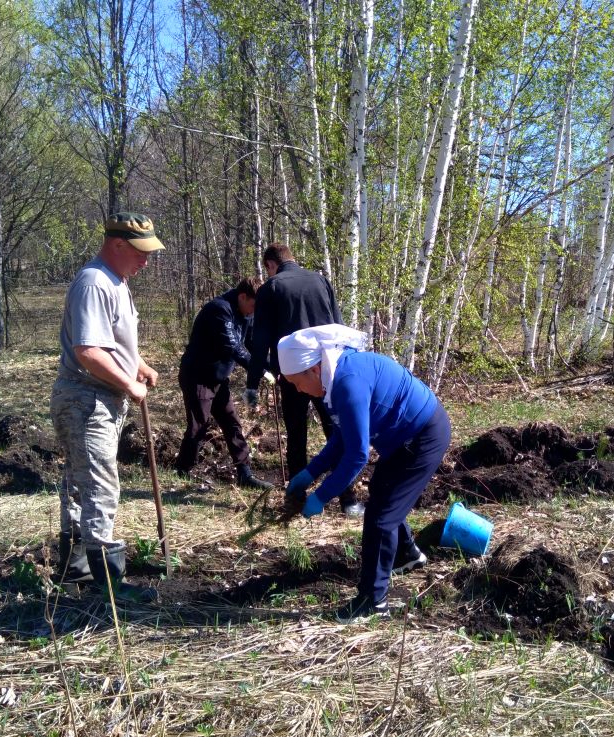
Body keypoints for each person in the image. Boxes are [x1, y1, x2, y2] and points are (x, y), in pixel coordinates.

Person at [278, 324, 451, 623]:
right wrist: (310, 472)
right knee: (382, 494)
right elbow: (342, 438)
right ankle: (407, 554)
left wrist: (321, 496)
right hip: (403, 437)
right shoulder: (335, 377)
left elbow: (358, 454)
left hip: (423, 435)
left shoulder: (347, 382)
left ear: (314, 370)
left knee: (381, 519)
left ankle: (373, 601)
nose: (297, 390)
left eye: (296, 382)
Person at [49, 212, 163, 603]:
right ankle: (108, 589)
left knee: (83, 483)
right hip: (85, 399)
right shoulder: (95, 282)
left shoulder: (117, 282)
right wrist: (128, 383)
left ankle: (76, 570)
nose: (146, 260)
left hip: (99, 399)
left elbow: (110, 342)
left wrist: (139, 366)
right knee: (99, 486)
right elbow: (88, 351)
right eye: (140, 252)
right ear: (117, 245)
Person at [246, 243, 364, 517]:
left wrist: (252, 382)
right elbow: (338, 326)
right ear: (293, 259)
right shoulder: (320, 281)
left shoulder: (271, 288)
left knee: (297, 434)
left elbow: (260, 340)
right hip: (327, 370)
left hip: (293, 373)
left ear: (270, 265)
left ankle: (298, 498)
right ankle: (349, 500)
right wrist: (347, 367)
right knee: (337, 431)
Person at [174, 277, 273, 490]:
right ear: (243, 297)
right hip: (198, 376)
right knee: (199, 424)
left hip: (219, 378)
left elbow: (252, 344)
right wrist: (258, 371)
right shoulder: (219, 310)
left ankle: (244, 474)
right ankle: (182, 472)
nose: (253, 312)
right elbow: (233, 347)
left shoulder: (246, 313)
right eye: (253, 306)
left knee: (232, 423)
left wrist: (274, 366)